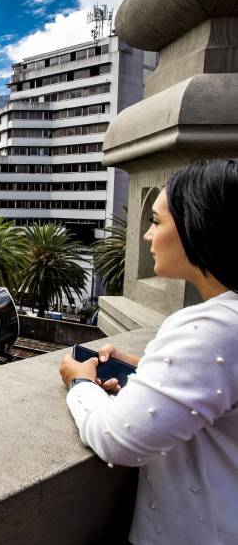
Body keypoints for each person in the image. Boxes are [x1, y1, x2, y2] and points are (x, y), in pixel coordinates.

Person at [59, 160, 238, 544]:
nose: (146, 236)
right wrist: (152, 372)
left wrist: (79, 384)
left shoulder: (214, 328)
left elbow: (117, 439)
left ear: (197, 226)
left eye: (156, 222)